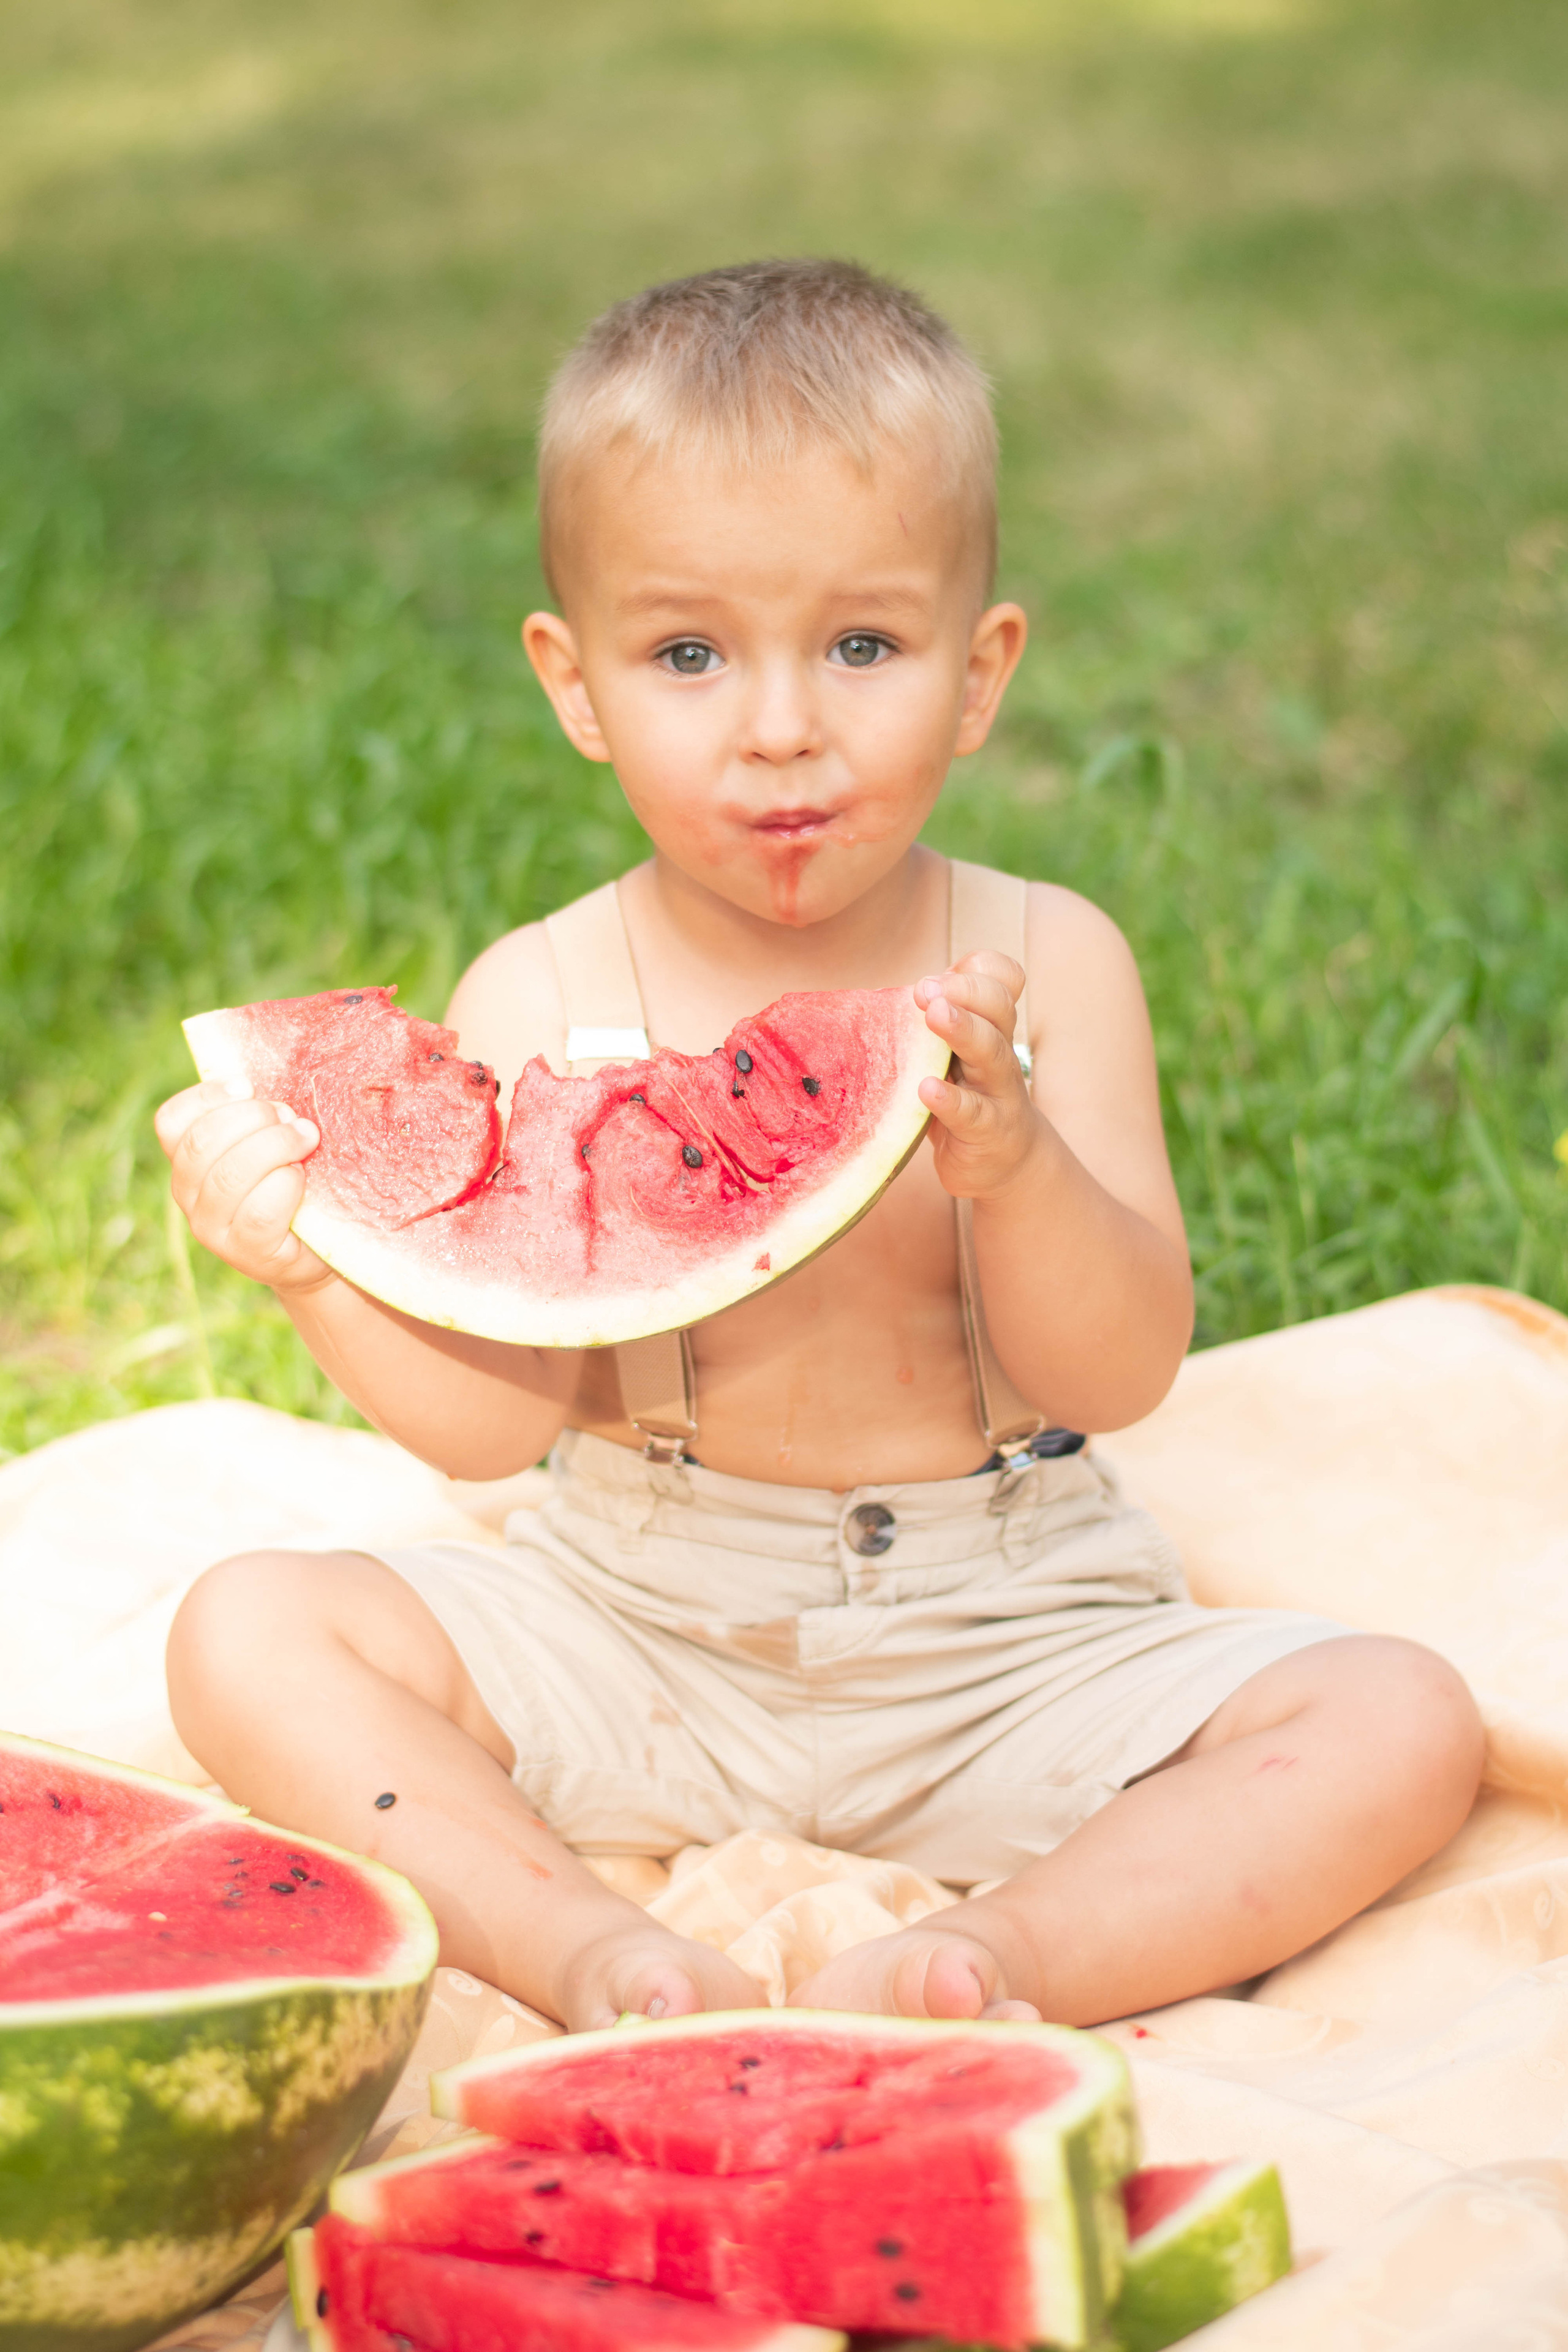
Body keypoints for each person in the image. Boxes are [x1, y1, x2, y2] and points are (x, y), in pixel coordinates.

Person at [156, 260, 1482, 2034]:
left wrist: (1020, 1170)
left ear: (980, 673)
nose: (782, 726)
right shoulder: (544, 988)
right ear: (575, 685)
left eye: (862, 646)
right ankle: (581, 1946)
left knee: (1400, 1716)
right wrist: (313, 1265)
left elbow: (1121, 1370)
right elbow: (490, 1429)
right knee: (246, 1631)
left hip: (1014, 1633)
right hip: (638, 1614)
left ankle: (1010, 1956)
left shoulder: (1054, 959)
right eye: (687, 655)